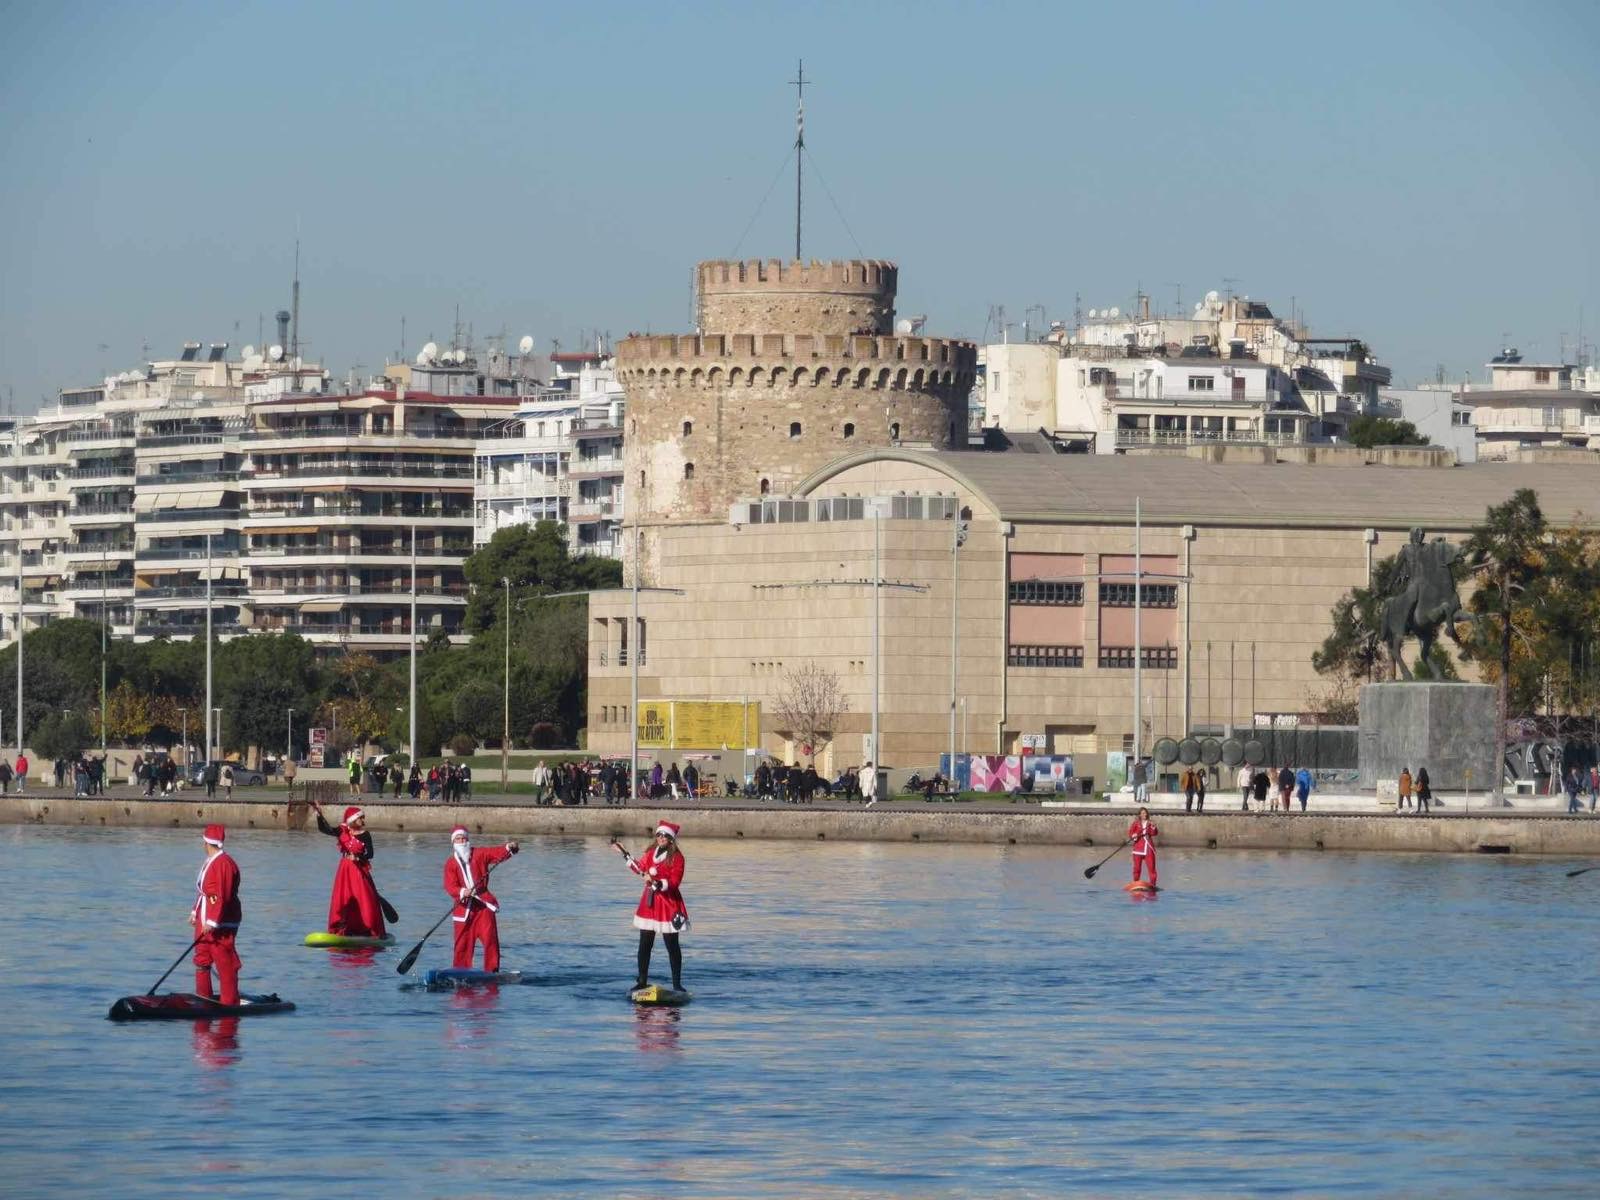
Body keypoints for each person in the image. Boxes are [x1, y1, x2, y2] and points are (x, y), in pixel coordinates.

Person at [621, 821, 690, 991]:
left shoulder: (677, 858)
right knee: (645, 943)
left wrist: (658, 883)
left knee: (671, 945)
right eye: (658, 835)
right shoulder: (651, 852)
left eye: (665, 836)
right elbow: (640, 868)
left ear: (671, 839)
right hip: (650, 903)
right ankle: (642, 981)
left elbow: (675, 881)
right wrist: (624, 853)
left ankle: (677, 985)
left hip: (668, 903)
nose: (661, 838)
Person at [443, 826, 519, 972]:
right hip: (463, 910)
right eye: (458, 839)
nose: (462, 841)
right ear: (453, 842)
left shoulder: (479, 853)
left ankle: (492, 970)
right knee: (462, 945)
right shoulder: (450, 863)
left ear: (468, 840)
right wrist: (462, 891)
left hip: (484, 907)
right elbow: (449, 886)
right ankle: (460, 971)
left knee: (490, 940)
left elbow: (496, 853)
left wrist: (508, 847)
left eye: (464, 838)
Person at [312, 801, 386, 937]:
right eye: (360, 817)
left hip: (359, 871)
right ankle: (342, 928)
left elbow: (370, 854)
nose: (363, 820)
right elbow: (325, 829)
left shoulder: (365, 834)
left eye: (363, 817)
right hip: (345, 870)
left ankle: (367, 929)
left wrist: (359, 857)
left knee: (364, 899)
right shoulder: (343, 830)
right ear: (353, 819)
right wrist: (319, 814)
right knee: (343, 899)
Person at [190, 824, 242, 1006]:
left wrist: (212, 921)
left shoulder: (223, 864)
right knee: (202, 957)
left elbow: (219, 895)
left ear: (207, 842)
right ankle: (203, 997)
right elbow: (203, 891)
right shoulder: (209, 861)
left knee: (223, 960)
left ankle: (229, 1002)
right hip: (205, 918)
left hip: (221, 922)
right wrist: (195, 912)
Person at [1128, 806, 1158, 886]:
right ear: (1140, 815)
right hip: (1138, 848)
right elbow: (1130, 832)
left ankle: (1153, 884)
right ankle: (1136, 882)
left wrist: (1153, 827)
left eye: (1145, 813)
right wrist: (1133, 835)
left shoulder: (1150, 823)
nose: (1144, 815)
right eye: (1142, 813)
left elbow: (1153, 833)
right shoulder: (1136, 823)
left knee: (1152, 868)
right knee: (1137, 868)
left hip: (1148, 848)